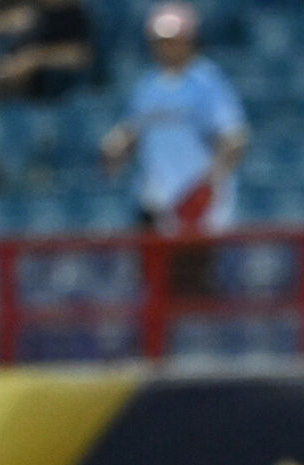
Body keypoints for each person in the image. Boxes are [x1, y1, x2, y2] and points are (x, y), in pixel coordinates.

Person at [100, 3, 248, 292]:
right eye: (159, 41)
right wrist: (117, 144)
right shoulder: (148, 85)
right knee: (156, 290)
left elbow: (234, 138)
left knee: (195, 289)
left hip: (197, 208)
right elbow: (133, 130)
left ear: (189, 39)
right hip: (158, 205)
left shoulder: (206, 82)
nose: (165, 47)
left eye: (172, 39)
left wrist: (208, 185)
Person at [0, 0, 92, 100]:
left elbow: (80, 55)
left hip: (44, 92)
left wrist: (36, 59)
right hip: (3, 63)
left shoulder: (77, 17)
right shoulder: (31, 11)